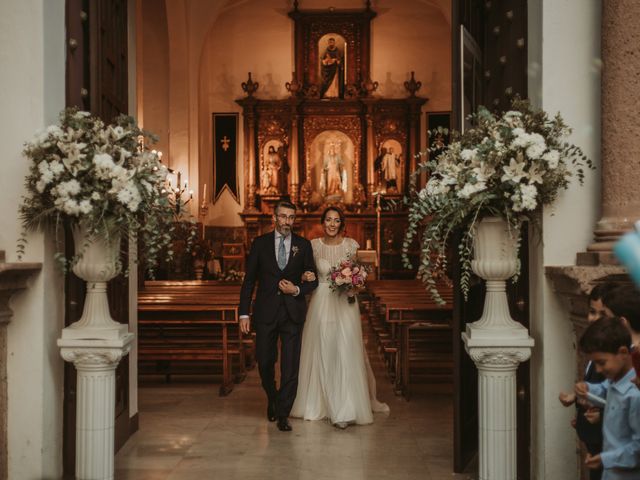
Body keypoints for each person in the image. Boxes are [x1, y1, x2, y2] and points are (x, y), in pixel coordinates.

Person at [291, 206, 389, 429]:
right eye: (328, 220)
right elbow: (307, 273)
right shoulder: (313, 245)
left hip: (345, 303)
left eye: (336, 220)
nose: (332, 224)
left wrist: (355, 285)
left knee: (345, 349)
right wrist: (305, 275)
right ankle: (318, 403)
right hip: (321, 301)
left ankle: (344, 409)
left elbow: (360, 276)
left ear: (341, 223)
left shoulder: (351, 245)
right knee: (322, 347)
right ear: (322, 222)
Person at [238, 201, 318, 432]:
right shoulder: (260, 244)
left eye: (291, 218)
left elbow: (313, 280)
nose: (287, 222)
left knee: (290, 366)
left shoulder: (303, 245)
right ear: (275, 218)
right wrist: (244, 312)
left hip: (292, 312)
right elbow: (249, 281)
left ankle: (284, 412)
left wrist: (296, 290)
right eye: (283, 217)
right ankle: (272, 397)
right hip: (265, 312)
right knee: (264, 361)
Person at [559, 282, 615, 480]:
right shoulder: (598, 349)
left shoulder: (616, 359)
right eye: (592, 312)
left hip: (608, 445)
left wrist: (601, 417)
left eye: (603, 315)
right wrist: (577, 399)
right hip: (593, 442)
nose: (595, 319)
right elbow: (595, 387)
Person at [575, 317, 640, 479]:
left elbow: (638, 448)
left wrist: (605, 459)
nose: (597, 369)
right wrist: (588, 388)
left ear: (623, 353)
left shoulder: (635, 394)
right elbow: (605, 389)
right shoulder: (615, 380)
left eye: (601, 362)